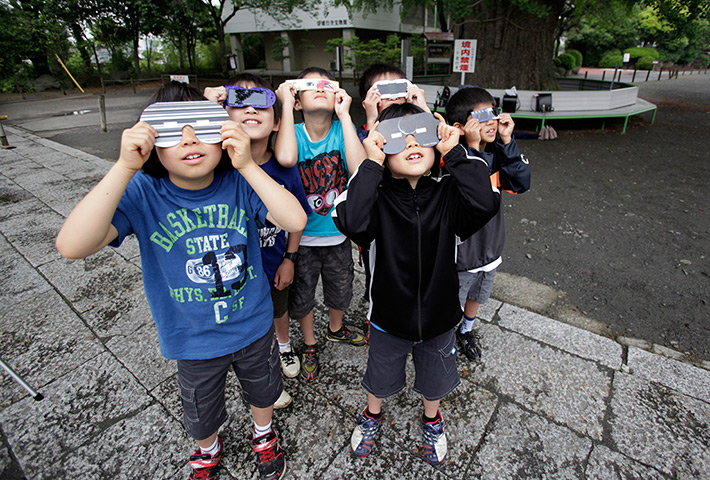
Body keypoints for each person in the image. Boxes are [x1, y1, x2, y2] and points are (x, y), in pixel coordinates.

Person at [55, 81, 307, 480]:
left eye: (202, 125)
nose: (190, 138)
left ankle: (263, 432)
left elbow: (294, 220)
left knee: (263, 391)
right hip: (192, 338)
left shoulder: (241, 181)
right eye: (171, 130)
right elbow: (71, 245)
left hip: (254, 324)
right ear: (151, 140)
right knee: (200, 408)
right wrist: (123, 167)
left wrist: (245, 164)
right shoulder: (144, 191)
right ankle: (208, 448)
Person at [332, 103, 500, 464]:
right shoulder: (373, 195)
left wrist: (454, 152)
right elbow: (351, 222)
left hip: (440, 315)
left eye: (421, 134)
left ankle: (432, 417)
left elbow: (485, 203)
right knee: (379, 375)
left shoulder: (448, 193)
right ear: (380, 145)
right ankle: (372, 412)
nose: (410, 142)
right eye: (396, 137)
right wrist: (371, 163)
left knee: (435, 377)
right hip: (389, 317)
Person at [203, 73, 312, 409]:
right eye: (239, 102)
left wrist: (289, 259)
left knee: (279, 313)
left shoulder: (284, 167)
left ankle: (283, 346)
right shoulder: (213, 166)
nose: (250, 109)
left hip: (274, 262)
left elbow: (296, 218)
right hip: (232, 275)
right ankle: (261, 377)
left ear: (277, 122)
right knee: (246, 334)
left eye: (261, 103)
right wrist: (206, 107)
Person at [273, 67, 368, 381]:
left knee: (341, 289)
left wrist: (345, 115)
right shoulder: (293, 133)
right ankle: (310, 342)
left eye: (326, 85)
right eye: (309, 85)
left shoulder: (343, 131)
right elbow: (286, 158)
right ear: (298, 100)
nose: (319, 88)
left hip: (338, 234)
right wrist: (285, 104)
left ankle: (336, 328)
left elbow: (358, 168)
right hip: (300, 239)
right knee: (302, 295)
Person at [445, 87, 531, 361]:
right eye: (480, 116)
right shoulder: (454, 159)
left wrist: (507, 142)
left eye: (492, 113)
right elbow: (474, 190)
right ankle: (446, 336)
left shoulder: (498, 152)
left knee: (478, 295)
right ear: (460, 126)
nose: (490, 121)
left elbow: (520, 182)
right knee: (452, 301)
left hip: (490, 248)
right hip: (462, 253)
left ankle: (466, 330)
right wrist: (470, 148)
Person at [357, 63, 430, 141]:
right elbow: (367, 151)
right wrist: (371, 120)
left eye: (399, 88)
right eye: (383, 90)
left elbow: (437, 143)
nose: (393, 97)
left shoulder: (417, 124)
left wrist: (423, 109)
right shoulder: (363, 132)